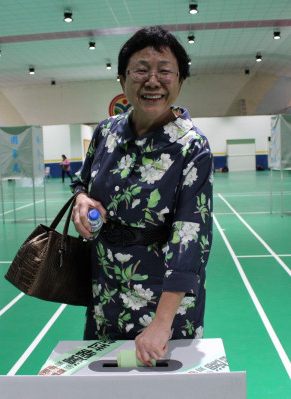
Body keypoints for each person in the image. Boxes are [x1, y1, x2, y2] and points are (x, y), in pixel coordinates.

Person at [71, 26, 213, 367]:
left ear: (180, 81)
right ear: (123, 80)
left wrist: (162, 324)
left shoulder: (192, 145)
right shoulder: (105, 132)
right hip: (106, 291)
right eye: (141, 69)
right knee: (106, 382)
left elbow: (191, 235)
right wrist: (81, 198)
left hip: (163, 298)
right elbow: (82, 180)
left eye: (164, 70)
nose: (153, 81)